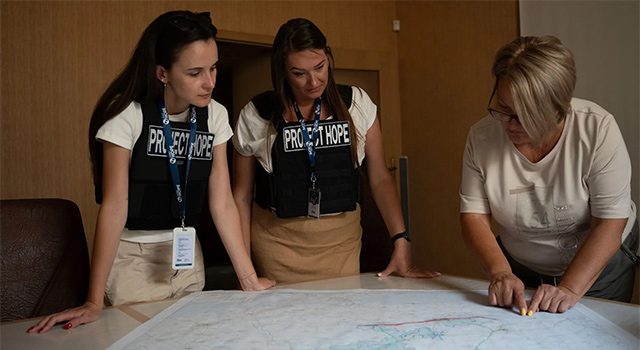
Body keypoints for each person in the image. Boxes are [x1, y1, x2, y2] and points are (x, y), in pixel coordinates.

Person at [28, 10, 275, 333]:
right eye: (195, 73)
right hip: (133, 261)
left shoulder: (214, 115)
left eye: (213, 68)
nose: (210, 82)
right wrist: (93, 300)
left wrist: (248, 279)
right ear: (162, 73)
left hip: (187, 259)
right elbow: (115, 205)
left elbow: (222, 202)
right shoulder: (126, 113)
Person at [232, 18, 440, 284]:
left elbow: (379, 178)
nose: (313, 81)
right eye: (299, 73)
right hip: (277, 247)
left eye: (320, 67)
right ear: (282, 71)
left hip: (341, 245)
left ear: (328, 57)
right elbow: (241, 196)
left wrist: (400, 240)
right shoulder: (257, 114)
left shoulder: (357, 104)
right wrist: (244, 269)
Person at [460, 36, 638, 316]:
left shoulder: (597, 130)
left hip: (598, 267)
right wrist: (500, 272)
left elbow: (609, 222)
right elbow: (473, 215)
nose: (510, 125)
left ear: (559, 110)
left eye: (526, 116)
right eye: (504, 109)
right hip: (520, 267)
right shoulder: (482, 137)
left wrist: (569, 289)